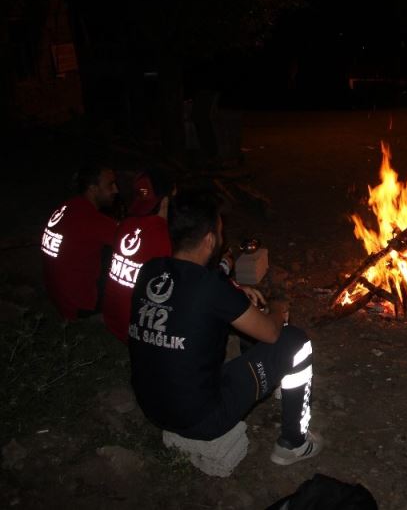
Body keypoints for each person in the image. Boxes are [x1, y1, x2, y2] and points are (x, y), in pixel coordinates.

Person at [128, 190, 321, 465]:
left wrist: (235, 290)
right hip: (202, 419)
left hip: (152, 407)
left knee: (239, 328)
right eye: (219, 231)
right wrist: (279, 307)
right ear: (209, 239)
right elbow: (271, 332)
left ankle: (274, 379)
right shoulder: (211, 288)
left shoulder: (149, 270)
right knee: (295, 340)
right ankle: (294, 443)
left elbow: (192, 294)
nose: (222, 236)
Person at [102, 169, 175, 343]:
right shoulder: (166, 237)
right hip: (137, 334)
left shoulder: (124, 225)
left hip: (112, 320)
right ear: (167, 199)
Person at [41, 159, 119, 320]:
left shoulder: (66, 207)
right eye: (110, 185)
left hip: (57, 294)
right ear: (93, 188)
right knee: (128, 265)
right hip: (78, 305)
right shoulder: (91, 219)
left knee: (106, 251)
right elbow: (138, 244)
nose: (116, 190)